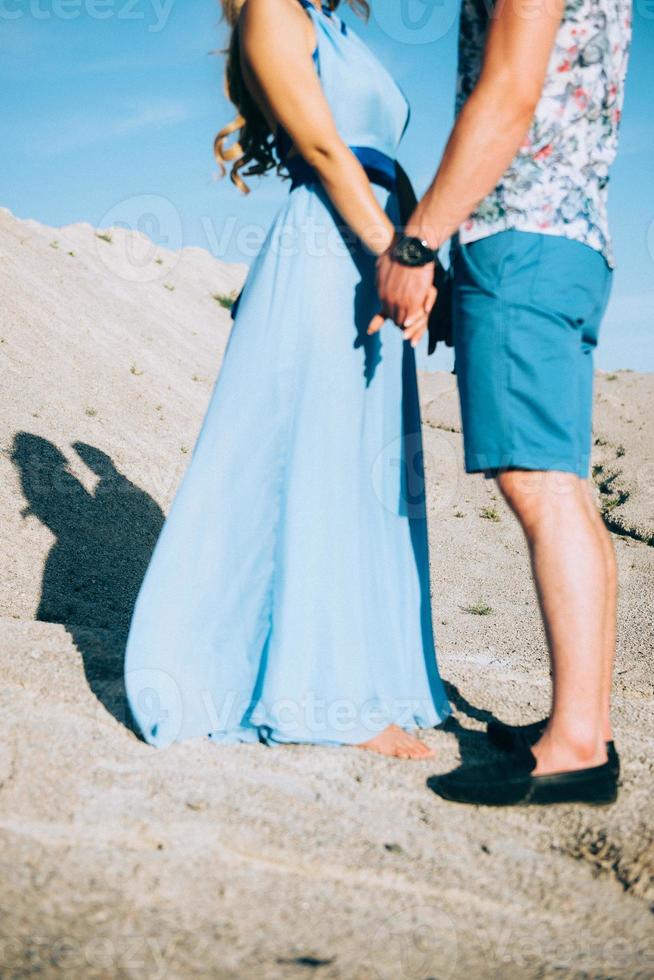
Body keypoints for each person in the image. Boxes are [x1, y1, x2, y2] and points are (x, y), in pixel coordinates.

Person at [123, 0, 451, 757]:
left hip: (377, 245)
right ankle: (326, 696)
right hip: (331, 253)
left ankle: (369, 679)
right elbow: (323, 147)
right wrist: (396, 253)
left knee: (366, 475)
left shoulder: (333, 26)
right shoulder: (270, 9)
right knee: (322, 463)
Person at [372, 0, 631, 803]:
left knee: (540, 485)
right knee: (560, 482)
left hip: (521, 237)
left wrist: (417, 241)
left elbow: (512, 89)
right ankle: (580, 721)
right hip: (570, 240)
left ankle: (579, 745)